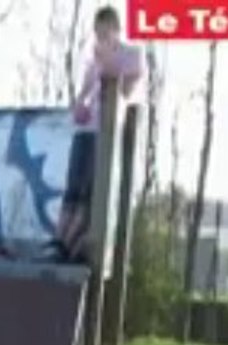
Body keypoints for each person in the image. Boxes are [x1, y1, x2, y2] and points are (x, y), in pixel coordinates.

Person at [50, 5, 144, 264]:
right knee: (73, 188)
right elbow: (84, 91)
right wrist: (79, 105)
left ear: (116, 30)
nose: (100, 38)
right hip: (86, 129)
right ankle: (59, 241)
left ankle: (72, 244)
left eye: (105, 32)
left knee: (89, 195)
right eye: (97, 33)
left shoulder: (131, 54)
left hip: (106, 132)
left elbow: (124, 87)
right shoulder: (93, 59)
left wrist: (105, 59)